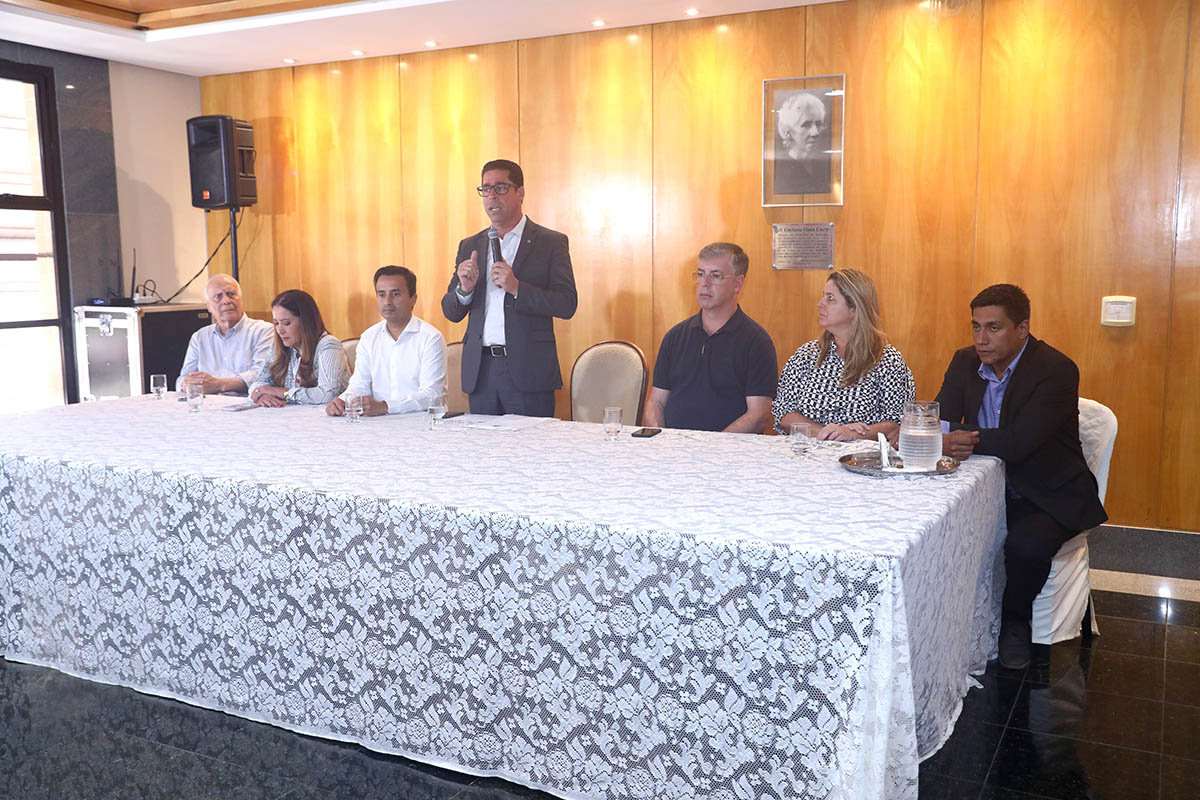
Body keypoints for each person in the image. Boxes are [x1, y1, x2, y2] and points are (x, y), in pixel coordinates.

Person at [935, 284, 1107, 670]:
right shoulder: (964, 362)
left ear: (1022, 328)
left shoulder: (1056, 370)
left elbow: (1018, 444)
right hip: (980, 488)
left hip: (1047, 491)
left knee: (1026, 546)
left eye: (993, 328)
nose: (982, 339)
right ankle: (948, 629)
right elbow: (941, 421)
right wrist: (946, 435)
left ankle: (1015, 622)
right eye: (976, 327)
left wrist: (958, 437)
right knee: (934, 530)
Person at [441, 159, 577, 417]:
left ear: (520, 193)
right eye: (486, 189)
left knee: (529, 454)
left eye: (501, 188)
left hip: (529, 371)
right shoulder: (470, 245)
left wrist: (517, 288)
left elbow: (567, 303)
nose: (492, 195)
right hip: (481, 372)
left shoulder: (550, 242)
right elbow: (451, 311)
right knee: (483, 455)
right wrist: (464, 290)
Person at [644, 242, 777, 433]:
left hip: (728, 455)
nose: (704, 284)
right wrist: (659, 437)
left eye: (715, 276)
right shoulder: (675, 337)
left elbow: (758, 416)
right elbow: (656, 402)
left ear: (738, 284)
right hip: (673, 451)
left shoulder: (756, 342)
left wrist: (712, 449)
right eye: (700, 274)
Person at [772, 269, 914, 441]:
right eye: (823, 296)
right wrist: (828, 433)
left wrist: (851, 434)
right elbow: (783, 411)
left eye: (830, 298)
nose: (820, 303)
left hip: (861, 461)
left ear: (854, 308)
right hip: (806, 457)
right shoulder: (806, 356)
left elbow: (896, 423)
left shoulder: (887, 360)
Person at [326, 266, 446, 417]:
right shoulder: (369, 337)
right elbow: (359, 386)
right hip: (377, 424)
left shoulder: (431, 338)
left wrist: (385, 406)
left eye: (395, 294)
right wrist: (342, 401)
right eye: (381, 295)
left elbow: (432, 395)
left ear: (413, 299)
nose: (387, 301)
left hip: (421, 423)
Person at [249, 289, 350, 407]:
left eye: (286, 323)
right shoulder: (279, 346)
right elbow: (257, 384)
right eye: (276, 323)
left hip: (331, 420)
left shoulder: (329, 345)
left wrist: (281, 392)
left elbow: (327, 394)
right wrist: (264, 396)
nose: (280, 330)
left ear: (306, 322)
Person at [176, 274, 273, 395]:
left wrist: (219, 385)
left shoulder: (264, 331)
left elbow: (263, 376)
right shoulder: (200, 337)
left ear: (241, 299)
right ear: (209, 307)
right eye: (218, 296)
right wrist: (187, 384)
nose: (226, 301)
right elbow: (182, 379)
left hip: (248, 406)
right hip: (208, 406)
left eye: (231, 294)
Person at [774, 90, 831, 195]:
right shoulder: (780, 172)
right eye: (806, 125)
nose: (815, 132)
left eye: (818, 124)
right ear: (788, 132)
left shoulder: (824, 168)